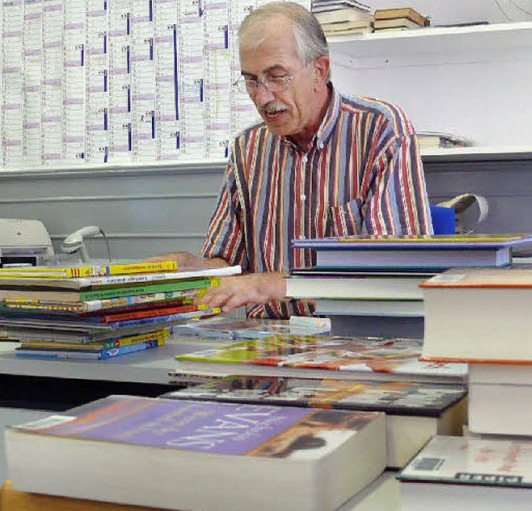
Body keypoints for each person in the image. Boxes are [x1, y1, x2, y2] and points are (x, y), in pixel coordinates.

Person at [152, 2, 433, 319]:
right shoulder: (248, 148)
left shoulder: (380, 131)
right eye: (251, 80)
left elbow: (395, 273)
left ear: (319, 70)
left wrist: (267, 286)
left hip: (354, 341)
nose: (263, 97)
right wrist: (188, 268)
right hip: (267, 346)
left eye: (277, 77)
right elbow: (228, 266)